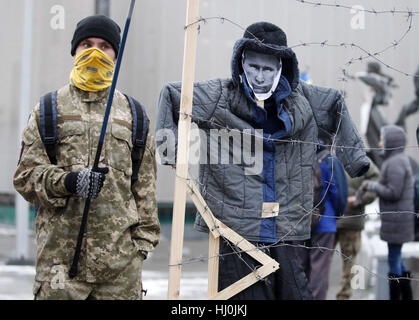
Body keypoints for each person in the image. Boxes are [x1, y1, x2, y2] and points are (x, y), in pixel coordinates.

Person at [156, 21, 370, 300]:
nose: (259, 76)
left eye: (267, 69)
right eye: (253, 67)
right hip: (233, 229)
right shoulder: (218, 96)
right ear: (240, 63)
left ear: (281, 68)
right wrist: (168, 150)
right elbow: (173, 95)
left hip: (287, 227)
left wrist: (355, 160)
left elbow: (336, 105)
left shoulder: (305, 100)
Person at [13, 15, 160, 300]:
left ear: (116, 54)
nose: (95, 51)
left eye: (104, 45)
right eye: (86, 44)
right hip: (61, 269)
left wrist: (140, 248)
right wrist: (69, 181)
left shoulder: (135, 115)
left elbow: (145, 188)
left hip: (119, 273)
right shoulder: (48, 110)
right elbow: (25, 177)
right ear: (74, 51)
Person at [364, 124, 414, 300]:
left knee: (394, 259)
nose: (379, 143)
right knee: (396, 257)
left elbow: (394, 192)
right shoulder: (397, 159)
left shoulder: (395, 163)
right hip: (397, 220)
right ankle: (406, 294)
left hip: (397, 222)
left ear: (391, 141)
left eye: (382, 139)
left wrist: (373, 186)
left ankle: (397, 296)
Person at [298, 139, 348, 300]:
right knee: (319, 270)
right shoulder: (329, 160)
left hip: (300, 223)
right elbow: (339, 194)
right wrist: (335, 216)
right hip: (325, 223)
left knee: (300, 270)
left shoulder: (298, 156)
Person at [334, 156, 379, 300]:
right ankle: (343, 295)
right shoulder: (331, 153)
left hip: (349, 219)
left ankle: (344, 295)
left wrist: (360, 199)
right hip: (330, 219)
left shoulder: (358, 157)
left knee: (349, 262)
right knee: (324, 261)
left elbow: (375, 180)